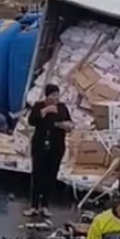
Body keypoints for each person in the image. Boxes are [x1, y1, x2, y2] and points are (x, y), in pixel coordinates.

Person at [25, 84, 72, 218]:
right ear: (47, 96)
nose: (55, 98)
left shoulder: (62, 108)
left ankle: (45, 205)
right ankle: (34, 205)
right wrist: (45, 111)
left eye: (57, 95)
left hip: (57, 145)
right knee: (38, 175)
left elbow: (70, 123)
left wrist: (65, 126)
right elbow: (32, 121)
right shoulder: (39, 106)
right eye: (53, 95)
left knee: (51, 176)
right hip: (40, 144)